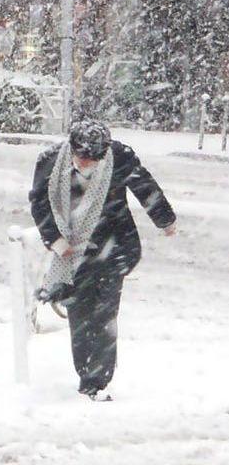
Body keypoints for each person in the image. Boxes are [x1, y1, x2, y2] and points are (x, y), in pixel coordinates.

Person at [29, 119, 177, 402]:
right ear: (71, 148)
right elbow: (39, 201)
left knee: (105, 314)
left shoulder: (118, 157)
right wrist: (56, 240)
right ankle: (86, 374)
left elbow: (144, 186)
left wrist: (165, 219)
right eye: (82, 158)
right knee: (80, 315)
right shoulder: (50, 161)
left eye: (93, 159)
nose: (87, 164)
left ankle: (97, 381)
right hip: (72, 252)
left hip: (113, 247)